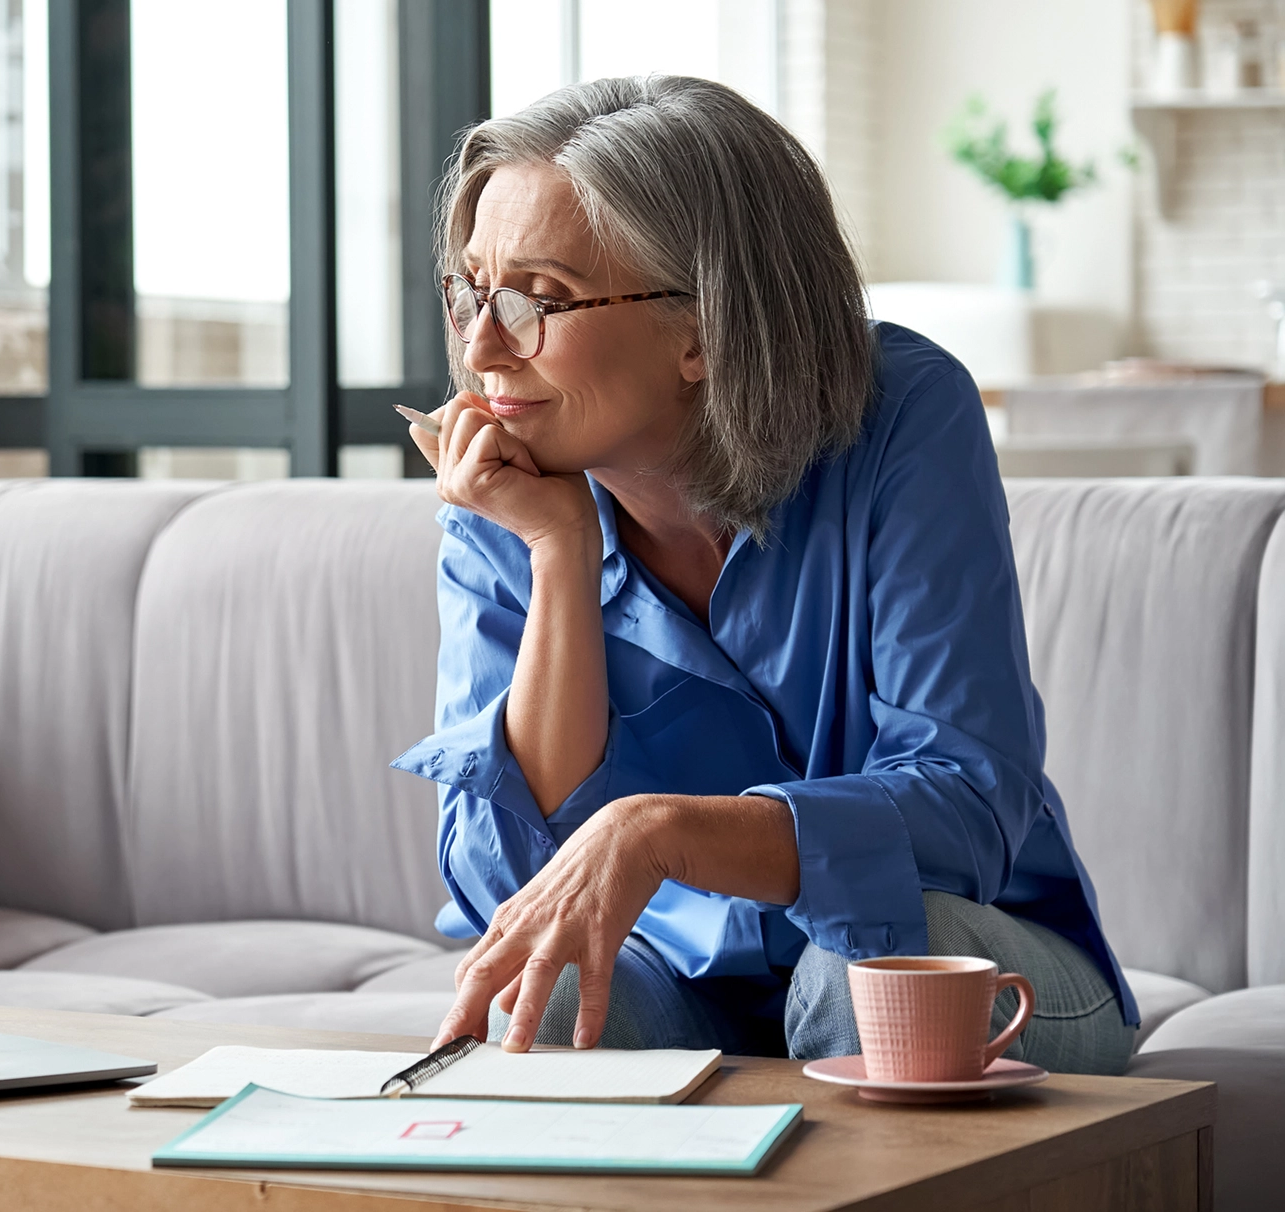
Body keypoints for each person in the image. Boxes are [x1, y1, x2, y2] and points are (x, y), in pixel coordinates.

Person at [390, 75, 1137, 1074]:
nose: (481, 347)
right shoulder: (505, 489)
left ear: (701, 327)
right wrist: (558, 555)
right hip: (683, 981)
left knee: (861, 971)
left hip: (968, 956)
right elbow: (510, 888)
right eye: (469, 291)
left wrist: (661, 833)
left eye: (538, 299)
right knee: (550, 992)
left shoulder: (901, 418)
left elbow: (966, 805)